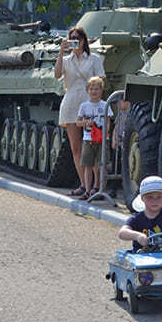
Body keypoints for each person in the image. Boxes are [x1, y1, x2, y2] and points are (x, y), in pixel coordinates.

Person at [54, 26, 105, 197]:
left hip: (90, 103)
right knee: (76, 148)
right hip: (71, 103)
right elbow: (56, 74)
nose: (76, 41)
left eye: (78, 38)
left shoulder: (93, 59)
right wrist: (61, 52)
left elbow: (100, 80)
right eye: (72, 38)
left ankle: (96, 186)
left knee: (93, 145)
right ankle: (84, 185)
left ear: (84, 40)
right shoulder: (67, 60)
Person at [118, 176, 162, 251]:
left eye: (159, 197)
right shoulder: (136, 218)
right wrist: (137, 236)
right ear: (142, 198)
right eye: (150, 197)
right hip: (142, 255)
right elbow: (122, 233)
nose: (155, 201)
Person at [75, 77, 113, 199]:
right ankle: (87, 189)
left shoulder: (105, 105)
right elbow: (78, 122)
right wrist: (86, 122)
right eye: (91, 89)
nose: (94, 91)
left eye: (96, 89)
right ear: (87, 91)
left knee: (100, 165)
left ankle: (98, 187)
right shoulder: (84, 106)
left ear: (101, 91)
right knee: (88, 165)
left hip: (102, 139)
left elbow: (108, 121)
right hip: (88, 138)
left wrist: (105, 132)